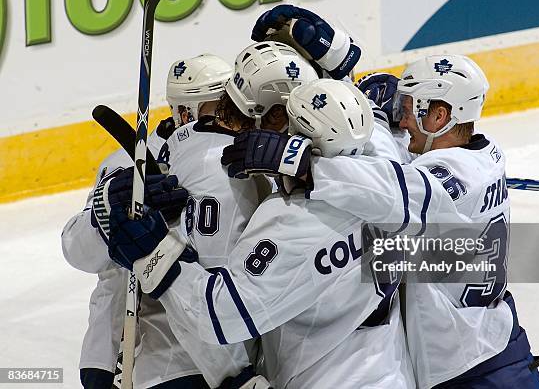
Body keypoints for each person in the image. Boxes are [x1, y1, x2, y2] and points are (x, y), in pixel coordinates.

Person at [104, 78, 414, 388]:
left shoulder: (291, 221)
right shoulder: (393, 189)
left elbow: (221, 315)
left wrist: (155, 254)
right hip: (391, 373)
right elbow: (453, 251)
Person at [258, 53, 539, 388]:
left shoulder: (443, 182)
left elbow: (391, 188)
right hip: (495, 347)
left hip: (471, 368)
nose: (403, 121)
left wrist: (303, 163)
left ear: (439, 115)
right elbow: (402, 173)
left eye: (408, 110)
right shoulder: (485, 154)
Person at [61, 53, 233, 389]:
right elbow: (86, 257)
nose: (233, 117)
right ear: (185, 112)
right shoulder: (128, 164)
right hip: (166, 359)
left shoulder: (242, 153)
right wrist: (102, 359)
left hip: (239, 347)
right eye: (219, 108)